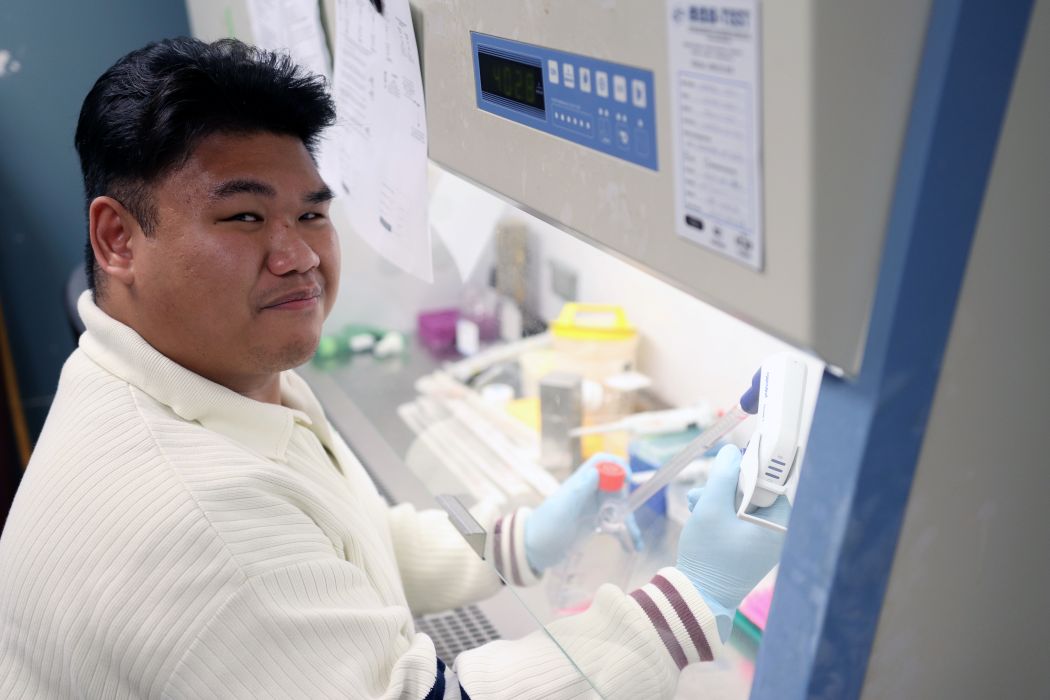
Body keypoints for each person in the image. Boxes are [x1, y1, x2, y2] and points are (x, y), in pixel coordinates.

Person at [0, 37, 788, 699]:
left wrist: (516, 545)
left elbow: (341, 532)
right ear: (117, 240)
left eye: (312, 212)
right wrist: (693, 601)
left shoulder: (201, 377)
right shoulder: (192, 519)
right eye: (243, 216)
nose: (300, 255)